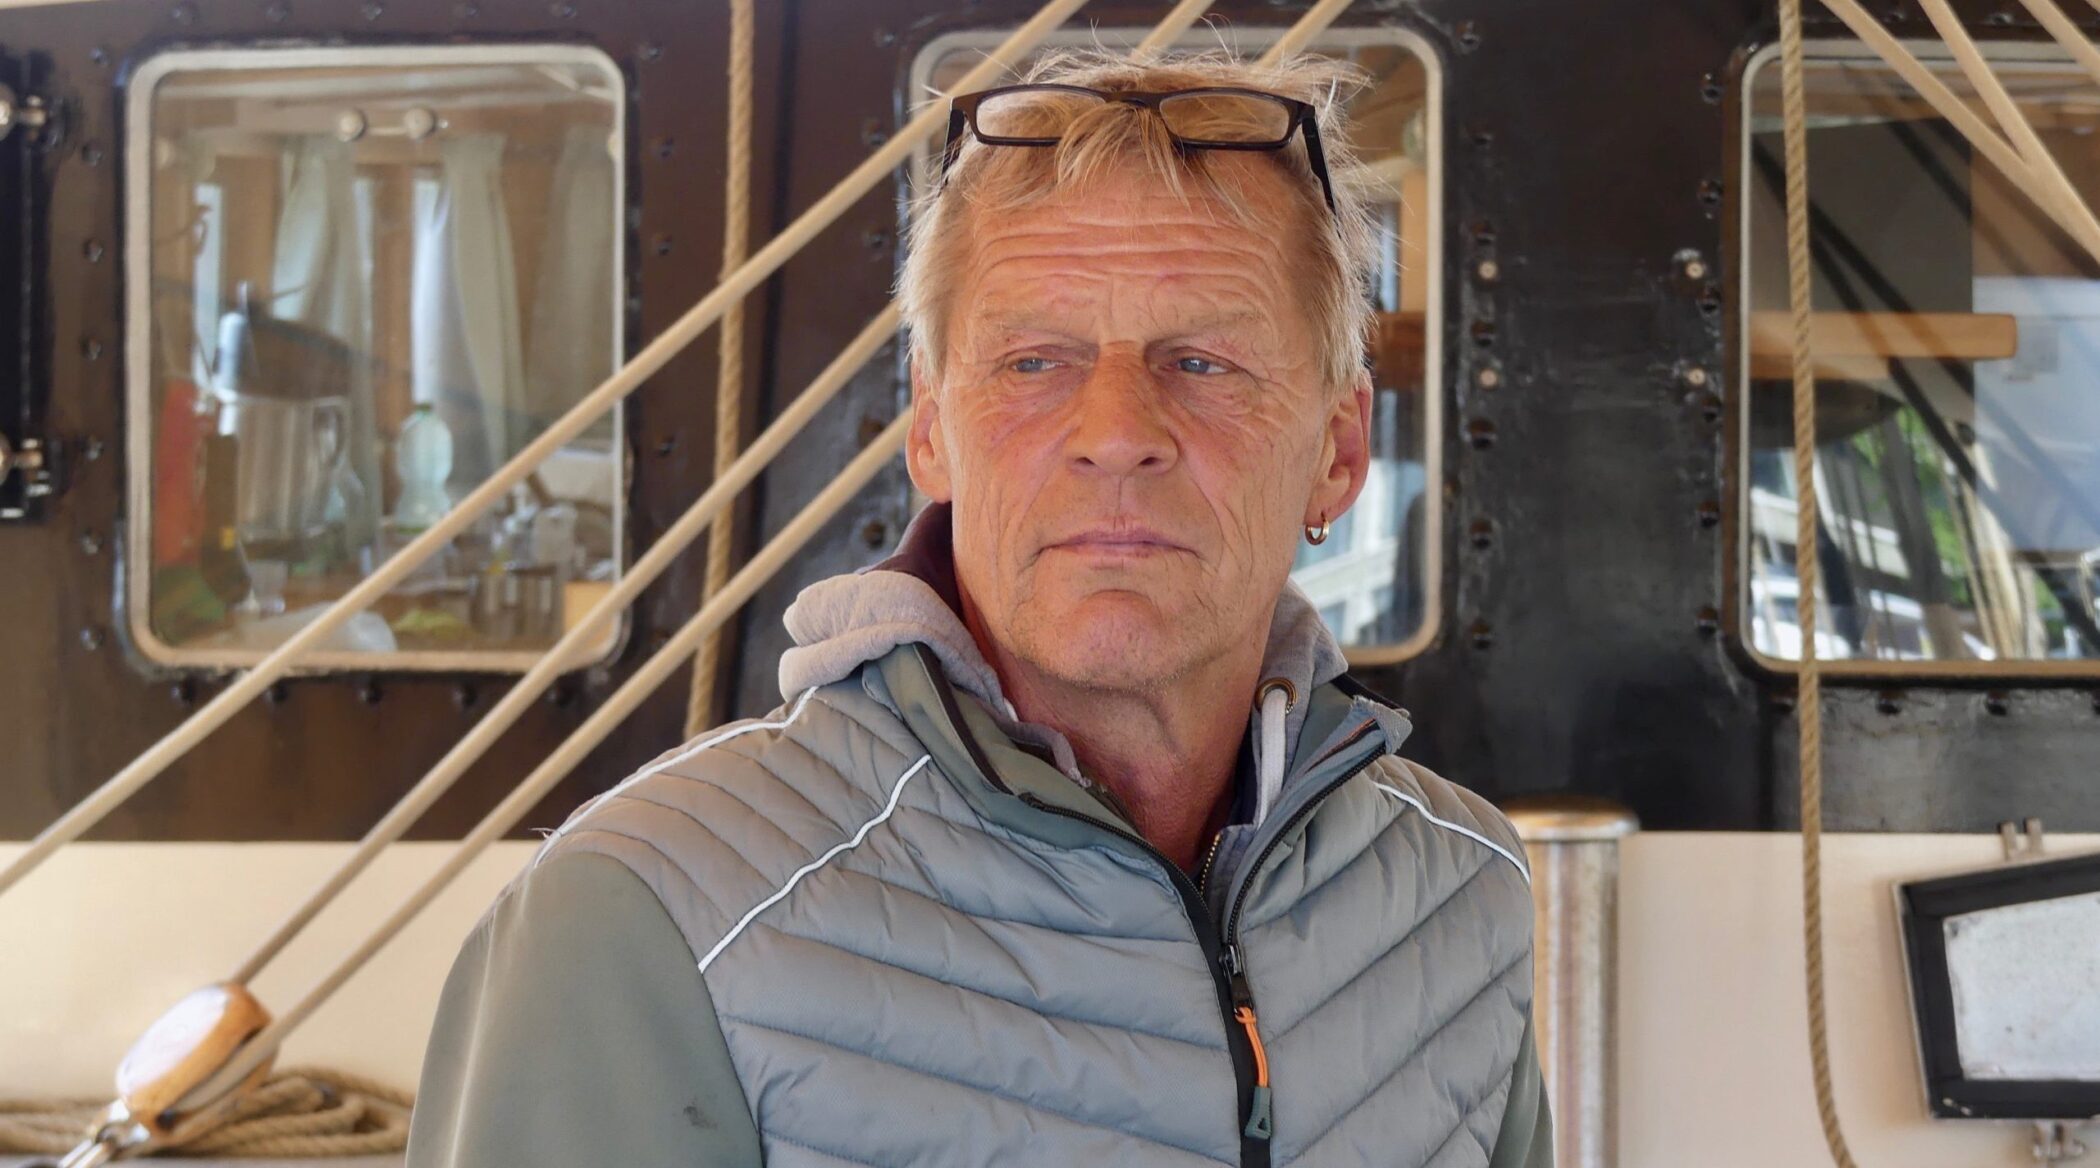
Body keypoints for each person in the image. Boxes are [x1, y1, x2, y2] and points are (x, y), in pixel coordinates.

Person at [407, 48, 1550, 1168]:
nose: (1116, 433)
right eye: (1034, 362)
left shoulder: (1458, 894)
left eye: (1203, 362)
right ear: (930, 429)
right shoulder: (648, 918)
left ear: (1338, 453)